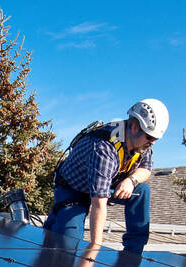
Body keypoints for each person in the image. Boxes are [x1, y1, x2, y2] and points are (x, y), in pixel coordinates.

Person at [40, 99, 169, 255]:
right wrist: (94, 249)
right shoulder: (104, 148)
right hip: (74, 188)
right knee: (66, 245)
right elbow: (99, 204)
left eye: (156, 139)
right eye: (150, 138)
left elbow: (146, 169)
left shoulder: (142, 143)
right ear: (135, 127)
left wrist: (130, 180)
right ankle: (58, 215)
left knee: (141, 190)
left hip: (105, 183)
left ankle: (133, 253)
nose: (153, 142)